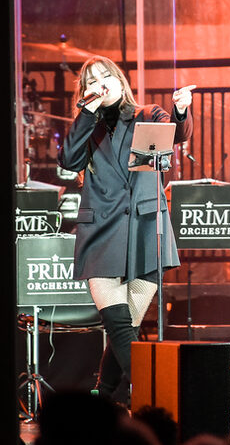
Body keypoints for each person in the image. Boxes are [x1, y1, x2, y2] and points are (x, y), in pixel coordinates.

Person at [57, 56, 194, 404]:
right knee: (118, 324)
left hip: (145, 226)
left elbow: (175, 135)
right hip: (100, 230)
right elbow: (68, 160)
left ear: (120, 80)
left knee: (126, 327)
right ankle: (154, 399)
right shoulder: (87, 125)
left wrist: (180, 111)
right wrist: (87, 111)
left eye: (106, 76)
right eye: (92, 80)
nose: (101, 83)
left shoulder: (148, 114)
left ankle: (102, 397)